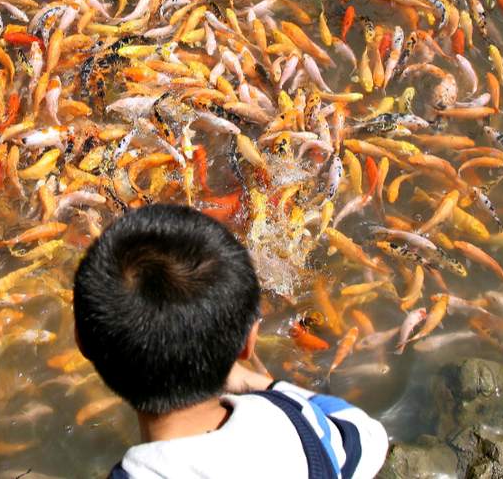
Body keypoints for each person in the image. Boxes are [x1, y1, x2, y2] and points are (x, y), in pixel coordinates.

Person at [72, 203, 389, 479]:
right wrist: (257, 382)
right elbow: (368, 434)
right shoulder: (299, 428)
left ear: (82, 341)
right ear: (248, 342)